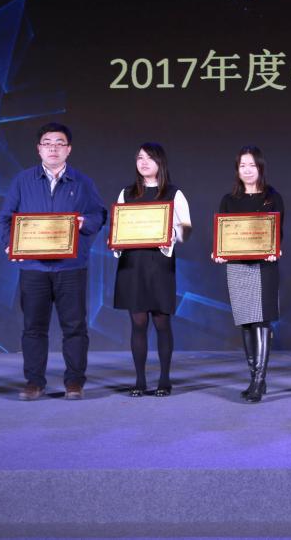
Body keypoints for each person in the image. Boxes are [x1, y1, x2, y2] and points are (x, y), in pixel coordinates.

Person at [0, 122, 107, 401]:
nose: (53, 148)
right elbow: (6, 218)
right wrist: (11, 245)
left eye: (59, 143)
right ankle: (34, 382)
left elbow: (99, 215)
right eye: (47, 143)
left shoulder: (83, 182)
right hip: (33, 267)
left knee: (75, 327)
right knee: (33, 327)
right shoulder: (23, 180)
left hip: (71, 267)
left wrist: (84, 222)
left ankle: (74, 382)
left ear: (69, 149)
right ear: (39, 149)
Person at [112, 143, 192, 397]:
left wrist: (172, 236)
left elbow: (186, 229)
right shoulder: (126, 193)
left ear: (160, 162)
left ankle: (164, 379)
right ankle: (139, 381)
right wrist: (115, 240)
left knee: (161, 322)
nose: (144, 162)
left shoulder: (173, 193)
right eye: (139, 158)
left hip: (159, 264)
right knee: (137, 323)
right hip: (132, 264)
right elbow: (118, 225)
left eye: (149, 158)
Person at [212, 146, 284, 403]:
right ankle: (254, 377)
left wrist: (275, 249)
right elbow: (223, 234)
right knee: (246, 321)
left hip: (264, 266)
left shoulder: (272, 197)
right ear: (237, 169)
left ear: (260, 167)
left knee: (261, 321)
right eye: (242, 165)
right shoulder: (228, 200)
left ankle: (259, 380)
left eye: (252, 165)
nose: (247, 170)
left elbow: (278, 232)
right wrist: (219, 252)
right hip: (237, 267)